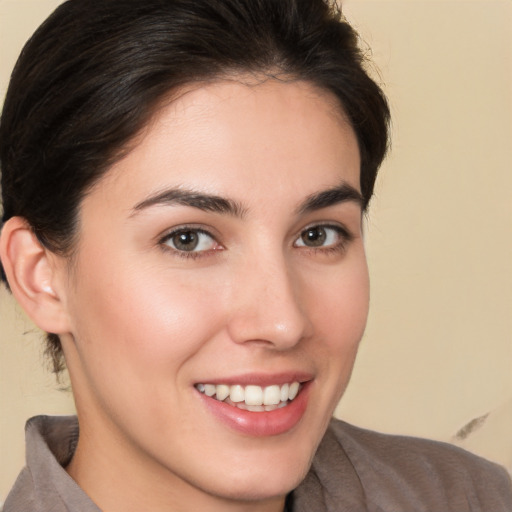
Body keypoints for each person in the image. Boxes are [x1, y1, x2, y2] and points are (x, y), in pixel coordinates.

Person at [0, 0, 510, 510]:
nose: (283, 322)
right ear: (40, 276)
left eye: (318, 235)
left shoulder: (472, 497)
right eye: (189, 239)